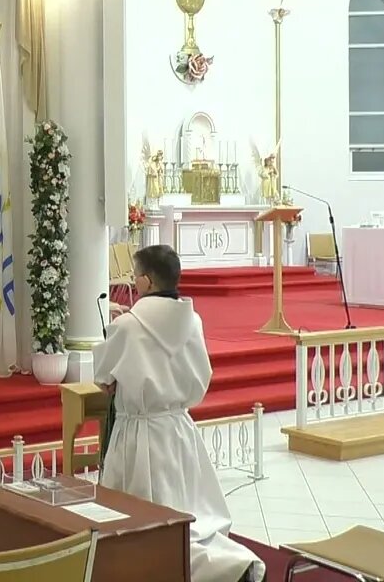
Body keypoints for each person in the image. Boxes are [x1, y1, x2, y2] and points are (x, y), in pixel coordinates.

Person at [93, 245, 264, 582]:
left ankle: (214, 567)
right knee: (190, 514)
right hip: (178, 428)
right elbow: (203, 373)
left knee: (141, 522)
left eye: (135, 274)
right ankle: (228, 561)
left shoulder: (127, 325)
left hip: (139, 434)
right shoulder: (193, 320)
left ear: (145, 281)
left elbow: (102, 378)